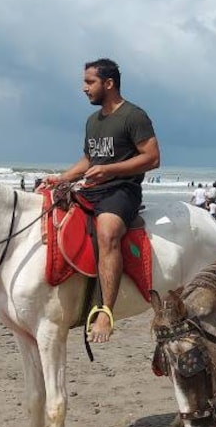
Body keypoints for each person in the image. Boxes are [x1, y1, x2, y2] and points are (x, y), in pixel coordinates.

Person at [42, 58, 160, 343]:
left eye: (89, 82)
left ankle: (106, 311)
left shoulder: (134, 116)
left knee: (107, 233)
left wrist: (109, 170)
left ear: (109, 83)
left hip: (122, 190)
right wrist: (62, 177)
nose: (84, 88)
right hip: (92, 189)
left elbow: (152, 158)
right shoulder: (93, 121)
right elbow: (89, 158)